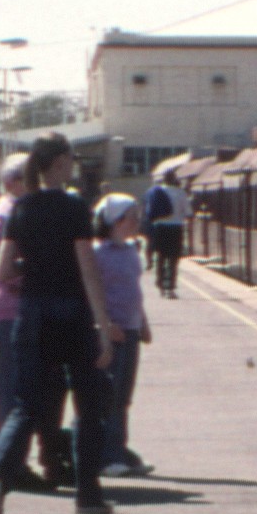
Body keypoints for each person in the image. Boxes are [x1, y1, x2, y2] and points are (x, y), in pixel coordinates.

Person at [0, 130, 120, 514]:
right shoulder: (75, 207)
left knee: (26, 406)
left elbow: (4, 268)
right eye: (70, 159)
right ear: (58, 163)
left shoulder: (20, 208)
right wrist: (103, 322)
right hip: (71, 314)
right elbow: (87, 268)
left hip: (31, 315)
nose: (72, 165)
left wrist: (35, 267)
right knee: (89, 403)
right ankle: (88, 494)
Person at [0, 155, 46, 489]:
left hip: (12, 308)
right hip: (9, 308)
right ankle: (8, 466)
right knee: (14, 391)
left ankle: (12, 463)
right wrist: (18, 273)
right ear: (14, 181)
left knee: (20, 389)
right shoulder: (8, 209)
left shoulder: (13, 207)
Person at [89, 192, 153, 478]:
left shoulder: (130, 250)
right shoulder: (97, 252)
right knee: (109, 395)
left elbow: (134, 291)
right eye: (133, 217)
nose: (138, 221)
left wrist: (143, 321)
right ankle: (106, 455)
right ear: (117, 220)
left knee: (124, 395)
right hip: (110, 331)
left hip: (130, 329)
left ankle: (119, 449)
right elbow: (91, 292)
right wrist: (104, 325)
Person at [142, 167, 189, 297]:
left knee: (161, 257)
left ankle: (160, 285)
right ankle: (171, 288)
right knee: (173, 259)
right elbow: (188, 212)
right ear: (174, 179)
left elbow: (148, 210)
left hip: (159, 227)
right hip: (175, 228)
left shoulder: (156, 191)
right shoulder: (181, 193)